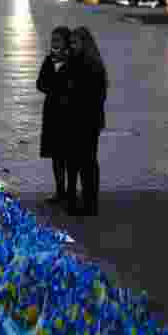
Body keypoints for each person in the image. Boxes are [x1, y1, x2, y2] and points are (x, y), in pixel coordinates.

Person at [67, 27, 108, 216]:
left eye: (75, 43)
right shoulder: (77, 61)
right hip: (78, 120)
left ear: (85, 44)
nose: (72, 46)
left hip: (87, 121)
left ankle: (90, 203)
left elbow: (94, 96)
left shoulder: (92, 65)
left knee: (88, 162)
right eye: (71, 43)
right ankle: (85, 201)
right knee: (81, 161)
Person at [36, 26, 74, 205]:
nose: (54, 44)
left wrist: (59, 89)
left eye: (58, 40)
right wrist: (56, 88)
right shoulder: (49, 60)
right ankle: (60, 191)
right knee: (56, 156)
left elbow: (74, 86)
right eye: (53, 40)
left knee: (69, 155)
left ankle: (70, 191)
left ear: (66, 42)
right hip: (52, 113)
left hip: (69, 114)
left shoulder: (73, 61)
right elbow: (40, 83)